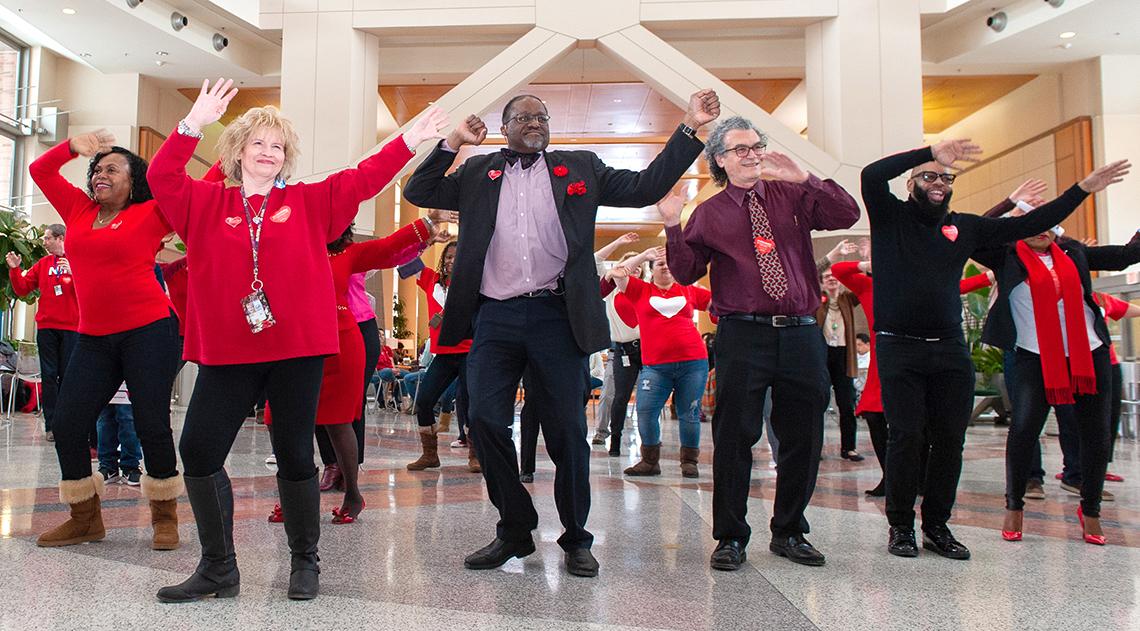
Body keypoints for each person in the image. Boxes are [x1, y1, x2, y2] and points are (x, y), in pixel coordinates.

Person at [146, 78, 447, 602]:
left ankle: (305, 562)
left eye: (278, 146)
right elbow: (162, 174)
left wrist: (407, 140)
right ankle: (218, 567)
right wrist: (192, 122)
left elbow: (361, 179)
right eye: (258, 143)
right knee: (197, 449)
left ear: (286, 158)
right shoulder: (203, 202)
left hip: (297, 350)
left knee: (293, 453)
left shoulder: (309, 201)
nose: (268, 152)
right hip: (228, 350)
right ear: (237, 152)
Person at [404, 89, 719, 578]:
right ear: (504, 127)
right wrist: (453, 142)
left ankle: (576, 537)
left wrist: (689, 126)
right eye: (523, 116)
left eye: (541, 116)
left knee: (569, 432)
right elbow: (418, 190)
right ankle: (515, 528)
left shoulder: (580, 167)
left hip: (558, 315)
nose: (535, 122)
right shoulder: (476, 174)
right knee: (485, 420)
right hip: (495, 316)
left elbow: (644, 185)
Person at [861, 135, 1130, 560]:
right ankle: (900, 526)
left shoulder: (965, 227)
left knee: (950, 440)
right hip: (900, 348)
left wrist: (1083, 189)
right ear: (912, 182)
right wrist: (930, 153)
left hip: (949, 350)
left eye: (946, 179)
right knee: (907, 437)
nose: (939, 183)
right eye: (930, 177)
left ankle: (936, 525)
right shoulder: (890, 216)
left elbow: (1026, 225)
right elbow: (871, 175)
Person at [663, 115, 860, 570]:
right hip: (742, 334)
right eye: (740, 149)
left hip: (800, 333)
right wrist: (674, 225)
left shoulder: (793, 193)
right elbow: (689, 271)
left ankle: (790, 530)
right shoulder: (709, 213)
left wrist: (807, 178)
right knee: (734, 438)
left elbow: (846, 214)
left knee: (803, 437)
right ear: (719, 160)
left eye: (756, 146)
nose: (752, 155)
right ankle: (730, 536)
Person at [29, 131, 184, 553]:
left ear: (134, 181)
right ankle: (85, 518)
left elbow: (194, 188)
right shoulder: (78, 209)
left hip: (149, 330)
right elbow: (38, 169)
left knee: (151, 421)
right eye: (96, 169)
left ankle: (165, 516)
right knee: (68, 422)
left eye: (112, 169)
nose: (100, 174)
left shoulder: (153, 211)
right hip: (94, 336)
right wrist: (73, 146)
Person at [972, 219, 1140, 545]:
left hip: (1089, 354)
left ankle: (1090, 511)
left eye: (1050, 223)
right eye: (1033, 221)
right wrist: (1009, 207)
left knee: (1095, 433)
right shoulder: (1006, 256)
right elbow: (969, 236)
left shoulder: (1073, 251)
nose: (1042, 229)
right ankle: (1014, 506)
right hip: (1033, 356)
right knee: (1023, 429)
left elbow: (1123, 256)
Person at [830, 258, 993, 497]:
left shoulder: (917, 284)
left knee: (919, 422)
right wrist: (866, 264)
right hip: (882, 362)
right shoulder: (869, 286)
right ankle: (891, 476)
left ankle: (920, 479)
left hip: (911, 360)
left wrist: (989, 277)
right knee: (875, 417)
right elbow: (837, 269)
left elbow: (957, 288)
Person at [611, 235, 712, 478]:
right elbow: (617, 273)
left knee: (689, 412)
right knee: (646, 410)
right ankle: (649, 461)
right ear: (651, 268)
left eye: (669, 262)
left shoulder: (689, 290)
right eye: (659, 263)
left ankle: (690, 461)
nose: (665, 265)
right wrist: (644, 255)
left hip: (693, 362)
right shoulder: (639, 290)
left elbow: (717, 304)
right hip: (656, 366)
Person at [406, 238, 480, 473]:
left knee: (471, 403)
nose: (451, 261)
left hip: (470, 351)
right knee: (425, 400)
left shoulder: (476, 284)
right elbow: (405, 262)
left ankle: (475, 454)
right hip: (444, 355)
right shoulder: (431, 280)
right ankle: (430, 455)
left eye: (457, 257)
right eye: (448, 256)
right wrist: (425, 242)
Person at [6, 224, 78, 442]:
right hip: (47, 328)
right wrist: (15, 269)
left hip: (72, 328)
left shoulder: (77, 261)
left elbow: (91, 291)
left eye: (47, 238)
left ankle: (69, 425)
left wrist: (74, 274)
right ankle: (52, 426)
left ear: (60, 238)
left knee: (68, 377)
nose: (43, 242)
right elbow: (22, 289)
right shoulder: (43, 264)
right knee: (48, 377)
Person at [590, 232, 641, 449]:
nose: (633, 269)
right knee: (611, 394)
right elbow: (596, 261)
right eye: (629, 265)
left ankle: (648, 440)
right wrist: (619, 241)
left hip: (647, 351)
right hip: (619, 350)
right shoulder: (611, 291)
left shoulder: (645, 291)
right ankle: (604, 433)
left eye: (638, 266)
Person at [816, 242, 863, 461]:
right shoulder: (817, 301)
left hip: (844, 355)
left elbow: (863, 282)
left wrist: (861, 258)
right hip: (823, 356)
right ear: (822, 282)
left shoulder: (847, 299)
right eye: (827, 277)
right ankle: (816, 448)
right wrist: (833, 254)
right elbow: (813, 271)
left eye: (834, 276)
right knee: (818, 404)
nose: (831, 279)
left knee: (846, 403)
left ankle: (849, 447)